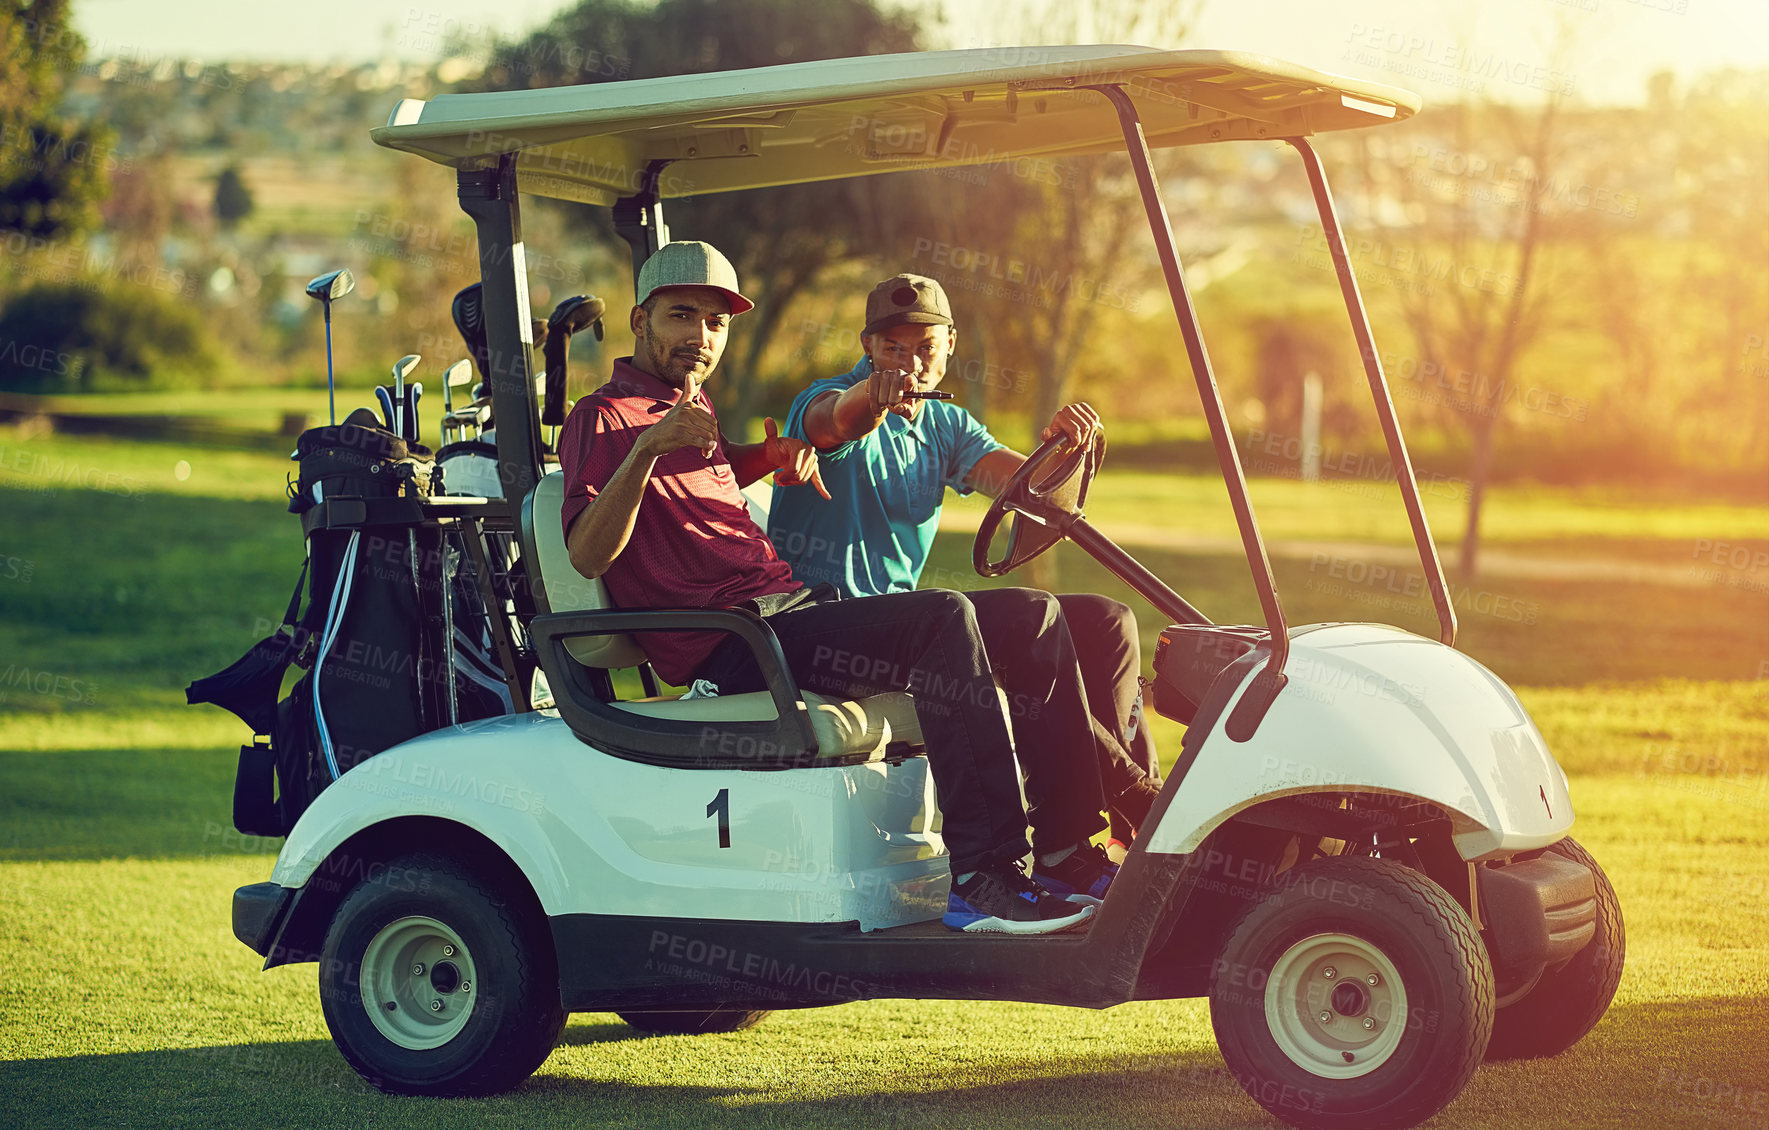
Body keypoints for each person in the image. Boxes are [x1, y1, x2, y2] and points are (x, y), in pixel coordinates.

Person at [559, 241, 1116, 934]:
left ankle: (1067, 848)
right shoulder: (604, 416)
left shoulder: (689, 413)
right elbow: (587, 553)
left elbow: (699, 495)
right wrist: (646, 449)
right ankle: (985, 875)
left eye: (715, 323)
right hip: (732, 641)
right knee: (942, 618)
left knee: (1031, 614)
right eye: (681, 316)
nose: (700, 338)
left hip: (786, 614)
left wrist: (764, 457)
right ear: (640, 320)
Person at [767, 274, 1161, 850]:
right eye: (892, 349)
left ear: (950, 344)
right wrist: (869, 402)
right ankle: (1124, 806)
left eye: (924, 347)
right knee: (1027, 617)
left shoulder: (944, 424)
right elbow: (835, 421)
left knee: (1106, 620)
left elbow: (1026, 487)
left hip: (908, 627)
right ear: (867, 347)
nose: (909, 365)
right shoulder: (824, 401)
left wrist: (1066, 447)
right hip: (827, 630)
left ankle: (1091, 837)